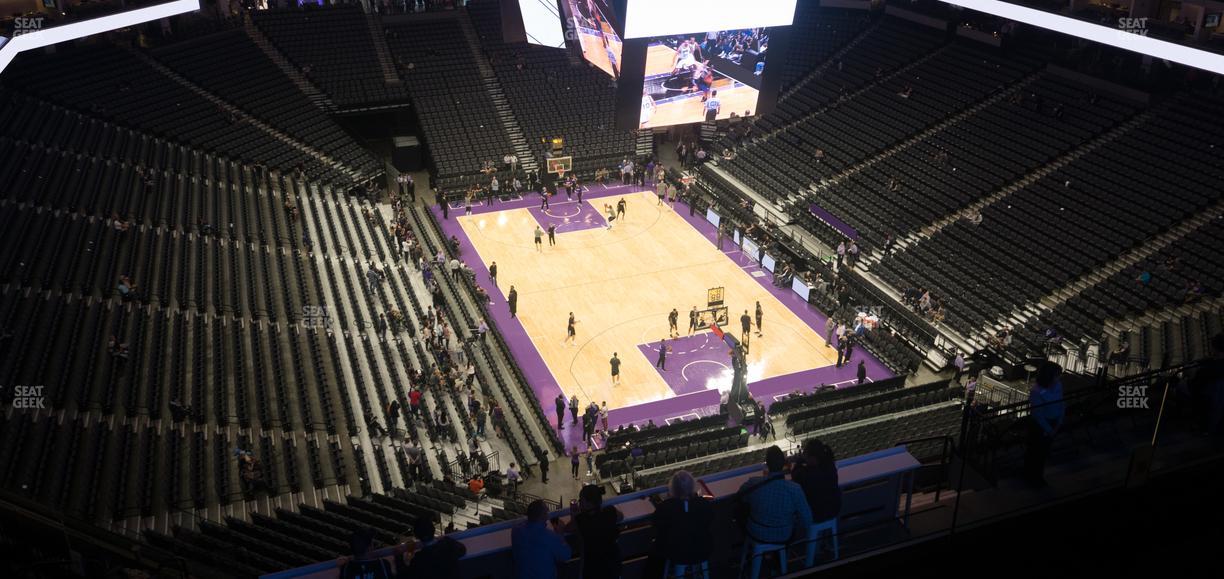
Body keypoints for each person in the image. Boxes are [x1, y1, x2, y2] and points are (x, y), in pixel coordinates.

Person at [736, 446, 813, 579]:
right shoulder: (795, 489)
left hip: (756, 532)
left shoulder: (753, 483)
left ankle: (760, 560)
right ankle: (775, 562)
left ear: (766, 464)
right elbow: (807, 520)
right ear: (784, 464)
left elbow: (740, 497)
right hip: (783, 534)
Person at [651, 470, 714, 577]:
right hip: (702, 549)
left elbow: (656, 523)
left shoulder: (666, 507)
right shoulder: (704, 504)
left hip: (676, 552)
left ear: (673, 489)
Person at [790, 439, 842, 567]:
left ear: (813, 458)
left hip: (817, 515)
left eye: (807, 456)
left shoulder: (808, 474)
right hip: (833, 510)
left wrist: (799, 460)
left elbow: (795, 475)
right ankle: (824, 544)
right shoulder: (830, 466)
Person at [563, 485, 623, 579]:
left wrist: (574, 515)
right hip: (613, 565)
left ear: (588, 503)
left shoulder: (581, 520)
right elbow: (621, 517)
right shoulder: (610, 511)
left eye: (581, 501)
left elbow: (567, 528)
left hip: (593, 569)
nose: (579, 503)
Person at [1024, 361, 1065, 487]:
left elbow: (1061, 402)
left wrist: (1059, 421)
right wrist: (1049, 429)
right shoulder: (1036, 391)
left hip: (1053, 422)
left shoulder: (1057, 385)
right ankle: (1032, 477)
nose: (1058, 378)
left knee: (1044, 452)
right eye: (1056, 375)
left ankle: (1037, 475)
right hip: (1040, 425)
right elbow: (1038, 414)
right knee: (1036, 452)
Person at [511, 500, 572, 579]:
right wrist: (560, 534)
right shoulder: (548, 536)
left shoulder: (516, 530)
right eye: (546, 511)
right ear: (544, 516)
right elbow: (566, 556)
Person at [399, 518, 466, 579]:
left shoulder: (419, 559)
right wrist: (443, 539)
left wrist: (398, 556)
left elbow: (404, 576)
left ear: (416, 536)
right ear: (434, 530)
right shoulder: (448, 543)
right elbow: (462, 550)